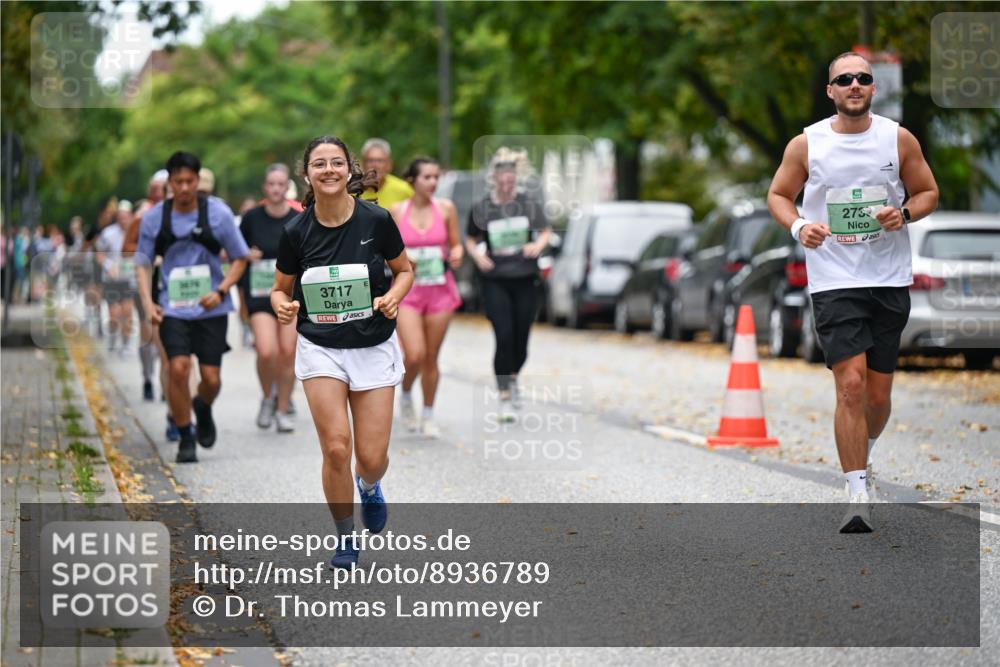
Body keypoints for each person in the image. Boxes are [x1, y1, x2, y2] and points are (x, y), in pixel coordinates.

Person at [767, 51, 939, 533]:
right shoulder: (807, 144)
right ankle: (857, 493)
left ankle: (866, 451)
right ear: (831, 91)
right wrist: (799, 226)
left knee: (878, 397)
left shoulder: (897, 138)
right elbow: (778, 195)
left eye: (863, 78)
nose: (855, 85)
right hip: (834, 280)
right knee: (851, 386)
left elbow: (928, 192)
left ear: (873, 87)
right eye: (844, 80)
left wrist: (903, 214)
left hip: (887, 279)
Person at [272, 135, 412, 568]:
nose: (329, 170)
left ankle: (369, 486)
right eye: (319, 164)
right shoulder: (296, 232)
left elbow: (404, 271)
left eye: (337, 162)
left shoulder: (377, 220)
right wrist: (283, 306)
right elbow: (279, 289)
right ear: (307, 175)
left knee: (371, 458)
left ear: (349, 170)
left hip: (373, 344)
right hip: (321, 346)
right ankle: (345, 537)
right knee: (336, 447)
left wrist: (393, 297)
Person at [135, 151, 249, 464]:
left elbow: (240, 258)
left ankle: (202, 405)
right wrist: (148, 303)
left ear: (198, 181)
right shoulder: (155, 218)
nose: (184, 187)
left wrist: (221, 290)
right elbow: (142, 263)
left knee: (211, 379)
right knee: (178, 368)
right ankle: (186, 435)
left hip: (211, 308)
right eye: (178, 182)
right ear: (169, 184)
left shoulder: (218, 213)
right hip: (172, 308)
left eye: (190, 181)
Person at [464, 150, 551, 422]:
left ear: (516, 179)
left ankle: (513, 378)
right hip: (495, 278)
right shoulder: (482, 208)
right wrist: (478, 256)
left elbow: (546, 231)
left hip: (524, 276)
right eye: (502, 180)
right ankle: (503, 394)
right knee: (503, 334)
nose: (506, 185)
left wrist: (537, 245)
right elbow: (470, 239)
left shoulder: (528, 204)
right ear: (494, 179)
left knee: (521, 338)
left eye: (511, 181)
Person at [389, 157, 463, 437]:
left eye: (436, 177)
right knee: (415, 354)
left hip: (440, 291)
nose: (433, 182)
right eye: (427, 177)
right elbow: (386, 253)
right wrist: (404, 261)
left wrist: (456, 255)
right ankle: (407, 395)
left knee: (431, 357)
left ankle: (429, 414)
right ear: (412, 180)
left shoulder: (446, 209)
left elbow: (456, 245)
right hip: (408, 292)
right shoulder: (397, 211)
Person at [240, 164, 299, 433]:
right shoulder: (251, 218)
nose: (276, 189)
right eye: (271, 184)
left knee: (287, 352)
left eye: (281, 184)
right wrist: (246, 255)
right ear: (265, 187)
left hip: (289, 295)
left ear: (287, 187)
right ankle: (267, 398)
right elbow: (236, 254)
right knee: (266, 351)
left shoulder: (298, 218)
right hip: (261, 294)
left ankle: (283, 409)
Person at [95, 199, 137, 355]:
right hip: (112, 280)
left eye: (125, 216)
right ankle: (113, 336)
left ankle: (125, 344)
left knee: (127, 313)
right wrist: (109, 266)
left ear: (130, 216)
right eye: (120, 216)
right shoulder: (108, 233)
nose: (123, 219)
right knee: (114, 314)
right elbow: (99, 254)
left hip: (128, 279)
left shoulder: (136, 232)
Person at [360, 138, 414, 211]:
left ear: (389, 164)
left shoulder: (405, 190)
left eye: (380, 161)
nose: (375, 165)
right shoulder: (351, 191)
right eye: (370, 160)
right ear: (362, 164)